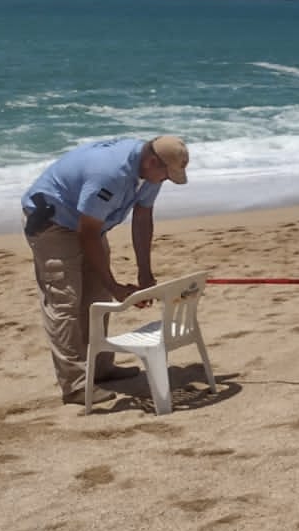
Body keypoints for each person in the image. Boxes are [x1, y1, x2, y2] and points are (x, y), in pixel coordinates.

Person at [22, 136, 189, 404]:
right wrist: (114, 285)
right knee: (66, 302)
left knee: (97, 297)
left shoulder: (150, 173)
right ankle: (75, 384)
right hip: (51, 221)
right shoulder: (109, 174)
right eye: (166, 175)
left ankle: (100, 368)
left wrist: (145, 274)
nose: (166, 180)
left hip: (88, 222)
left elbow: (143, 217)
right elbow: (87, 234)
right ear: (151, 162)